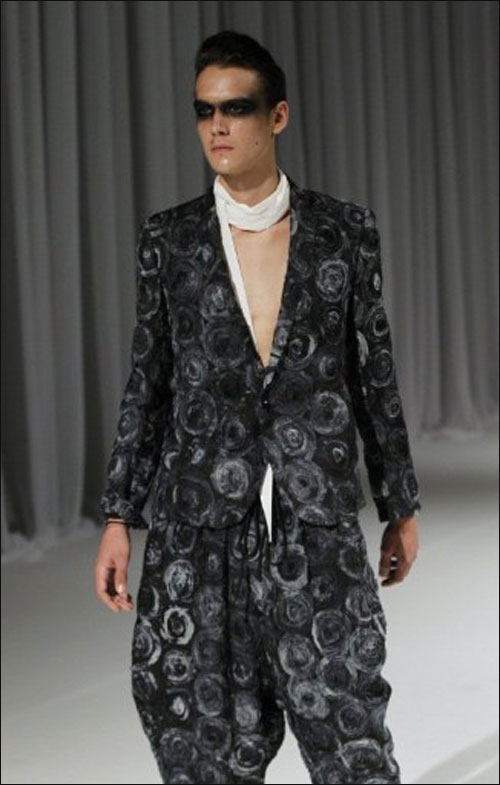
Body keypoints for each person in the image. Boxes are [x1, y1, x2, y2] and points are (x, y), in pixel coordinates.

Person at [95, 29, 421, 785]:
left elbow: (372, 374)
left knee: (350, 727)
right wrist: (118, 516)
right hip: (198, 525)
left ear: (277, 115)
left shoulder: (343, 232)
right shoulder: (171, 241)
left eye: (236, 108)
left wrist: (399, 502)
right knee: (200, 739)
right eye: (204, 110)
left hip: (315, 514)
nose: (217, 126)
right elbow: (149, 383)